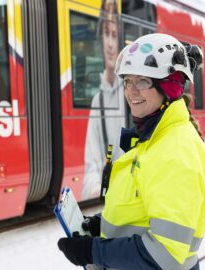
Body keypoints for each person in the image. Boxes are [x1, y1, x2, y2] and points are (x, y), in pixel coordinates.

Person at [58, 33, 205, 270]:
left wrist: (93, 251)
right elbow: (140, 208)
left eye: (143, 81)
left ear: (169, 88)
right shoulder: (154, 139)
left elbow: (165, 255)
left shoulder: (175, 152)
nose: (132, 92)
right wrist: (100, 225)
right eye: (128, 81)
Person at [82, 0, 125, 200]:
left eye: (114, 35)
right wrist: (96, 185)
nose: (109, 43)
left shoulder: (131, 95)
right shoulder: (97, 102)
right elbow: (91, 165)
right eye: (106, 34)